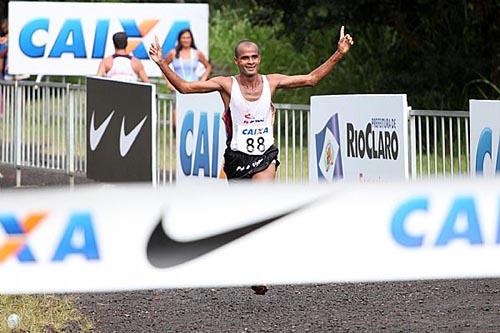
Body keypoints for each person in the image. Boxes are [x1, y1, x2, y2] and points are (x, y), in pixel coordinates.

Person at [149, 26, 353, 295]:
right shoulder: (225, 84)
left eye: (254, 57)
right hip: (236, 159)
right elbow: (186, 88)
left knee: (260, 207)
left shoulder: (272, 82)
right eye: (245, 58)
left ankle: (260, 269)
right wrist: (162, 62)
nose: (250, 62)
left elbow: (312, 79)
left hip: (265, 156)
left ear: (259, 59)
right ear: (237, 61)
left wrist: (338, 53)